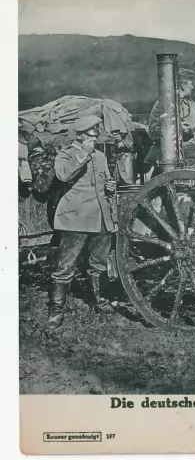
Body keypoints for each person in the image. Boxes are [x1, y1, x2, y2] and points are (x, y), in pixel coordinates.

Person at [48, 115, 117, 329]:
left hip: (100, 217)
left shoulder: (100, 156)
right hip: (75, 218)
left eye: (96, 130)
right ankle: (56, 310)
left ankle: (100, 300)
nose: (96, 134)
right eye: (91, 131)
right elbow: (63, 176)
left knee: (98, 263)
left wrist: (110, 185)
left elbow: (105, 179)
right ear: (79, 135)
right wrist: (83, 154)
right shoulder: (66, 154)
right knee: (66, 266)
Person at [144, 68, 195, 174]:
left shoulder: (191, 105)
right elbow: (153, 132)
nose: (192, 87)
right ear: (183, 85)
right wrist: (178, 129)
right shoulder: (162, 104)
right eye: (190, 83)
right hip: (166, 161)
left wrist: (193, 127)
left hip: (189, 157)